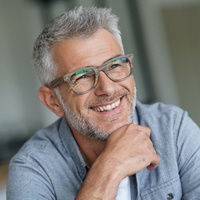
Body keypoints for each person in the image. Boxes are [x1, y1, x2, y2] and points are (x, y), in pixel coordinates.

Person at [7, 6, 200, 200]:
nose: (107, 89)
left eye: (115, 65)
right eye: (82, 76)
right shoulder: (32, 168)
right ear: (53, 101)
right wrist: (110, 168)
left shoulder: (173, 128)